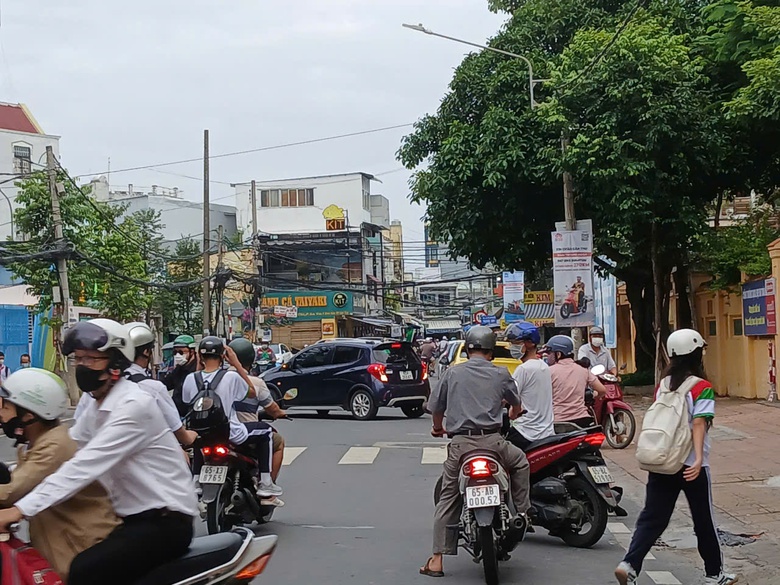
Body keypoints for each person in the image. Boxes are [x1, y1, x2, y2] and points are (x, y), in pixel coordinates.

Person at [0, 319, 198, 585]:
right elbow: (69, 450)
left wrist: (19, 511)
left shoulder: (133, 406)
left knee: (84, 570)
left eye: (92, 359)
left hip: (165, 523)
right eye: (79, 359)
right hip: (130, 519)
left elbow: (84, 466)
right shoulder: (94, 405)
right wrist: (19, 475)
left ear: (116, 363)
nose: (83, 366)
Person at [615, 329, 737, 585]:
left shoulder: (664, 385)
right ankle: (714, 574)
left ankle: (630, 564)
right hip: (691, 465)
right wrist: (695, 460)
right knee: (704, 520)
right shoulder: (701, 387)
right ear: (695, 354)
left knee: (652, 518)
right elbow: (699, 424)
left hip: (662, 460)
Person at [420, 325, 531, 578]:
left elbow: (436, 407)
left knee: (448, 498)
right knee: (522, 462)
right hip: (494, 444)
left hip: (461, 446)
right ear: (491, 350)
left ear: (468, 348)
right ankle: (524, 513)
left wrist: (438, 428)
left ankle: (437, 560)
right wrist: (513, 414)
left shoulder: (452, 373)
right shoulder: (501, 373)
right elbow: (515, 404)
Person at [0, 368, 119, 582]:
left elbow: (10, 492)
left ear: (29, 414)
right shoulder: (37, 444)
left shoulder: (53, 447)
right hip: (62, 548)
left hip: (78, 549)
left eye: (6, 406)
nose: (1, 413)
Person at [183, 336, 282, 498]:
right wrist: (236, 364)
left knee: (200, 436)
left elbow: (188, 400)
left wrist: (198, 368)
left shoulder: (190, 379)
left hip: (202, 436)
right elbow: (251, 391)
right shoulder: (231, 377)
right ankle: (265, 482)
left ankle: (196, 480)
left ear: (200, 356)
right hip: (231, 433)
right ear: (223, 356)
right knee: (266, 433)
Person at [229, 337, 288, 504]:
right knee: (277, 441)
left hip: (220, 431)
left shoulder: (218, 379)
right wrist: (280, 413)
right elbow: (273, 410)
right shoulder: (255, 383)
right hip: (245, 433)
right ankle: (267, 487)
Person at [505, 322, 554, 451]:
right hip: (546, 432)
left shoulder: (524, 369)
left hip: (526, 431)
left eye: (516, 342)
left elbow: (509, 396)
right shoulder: (543, 366)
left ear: (530, 343)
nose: (512, 347)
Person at [546, 334, 607, 427]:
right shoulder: (583, 370)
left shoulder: (549, 372)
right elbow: (602, 390)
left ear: (558, 354)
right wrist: (595, 395)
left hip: (558, 422)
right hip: (583, 420)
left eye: (549, 353)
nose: (547, 356)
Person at [164, 334, 198, 416]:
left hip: (191, 415)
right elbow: (166, 384)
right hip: (177, 415)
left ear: (192, 352)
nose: (177, 356)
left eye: (181, 352)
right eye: (175, 352)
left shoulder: (197, 370)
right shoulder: (178, 369)